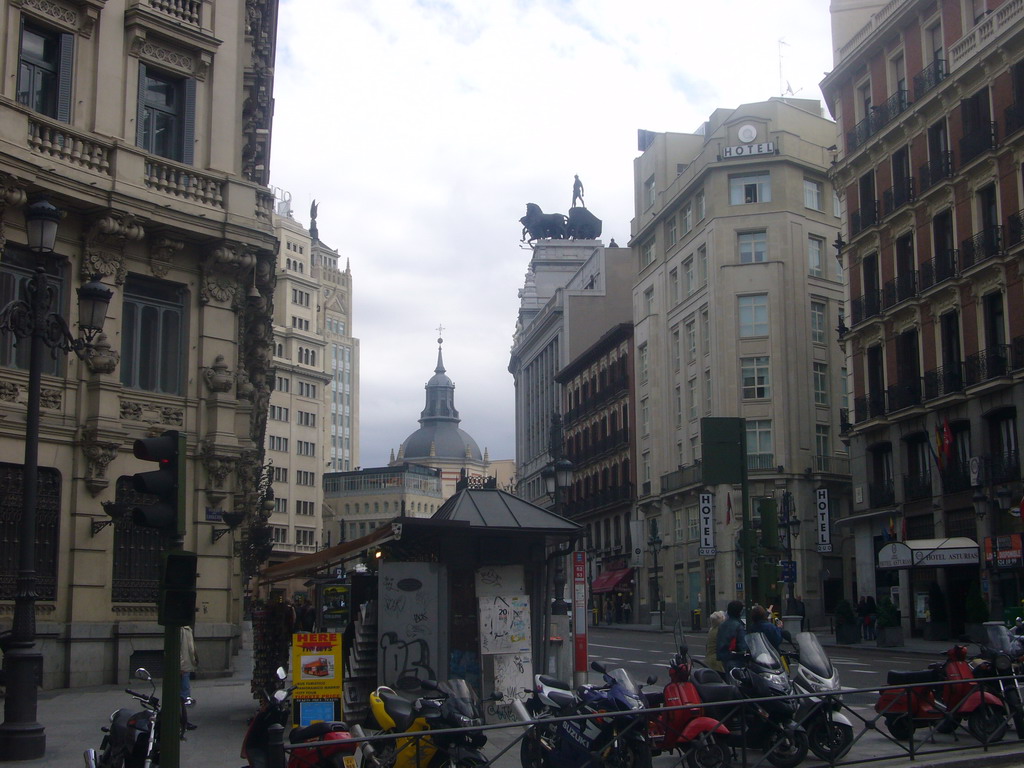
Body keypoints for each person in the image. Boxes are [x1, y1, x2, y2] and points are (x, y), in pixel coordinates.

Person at [716, 600, 748, 670]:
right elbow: (743, 645)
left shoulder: (722, 625)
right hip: (736, 659)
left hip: (724, 658)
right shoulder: (738, 626)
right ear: (739, 612)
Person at [180, 625, 199, 732]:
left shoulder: (186, 629)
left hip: (186, 667)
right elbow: (179, 650)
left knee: (183, 696)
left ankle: (183, 721)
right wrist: (181, 667)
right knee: (183, 696)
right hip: (183, 668)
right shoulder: (182, 630)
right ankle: (182, 721)